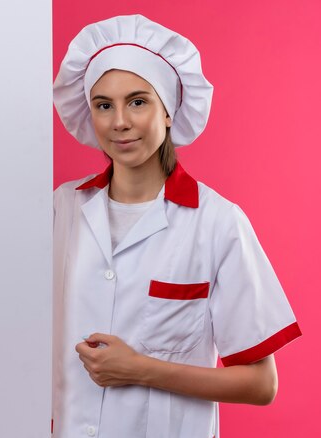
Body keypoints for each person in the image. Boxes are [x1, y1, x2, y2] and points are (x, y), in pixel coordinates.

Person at [52, 14, 301, 438]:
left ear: (168, 111)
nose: (119, 123)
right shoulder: (61, 208)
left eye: (137, 101)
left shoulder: (218, 223)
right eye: (104, 105)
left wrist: (139, 369)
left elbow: (262, 384)